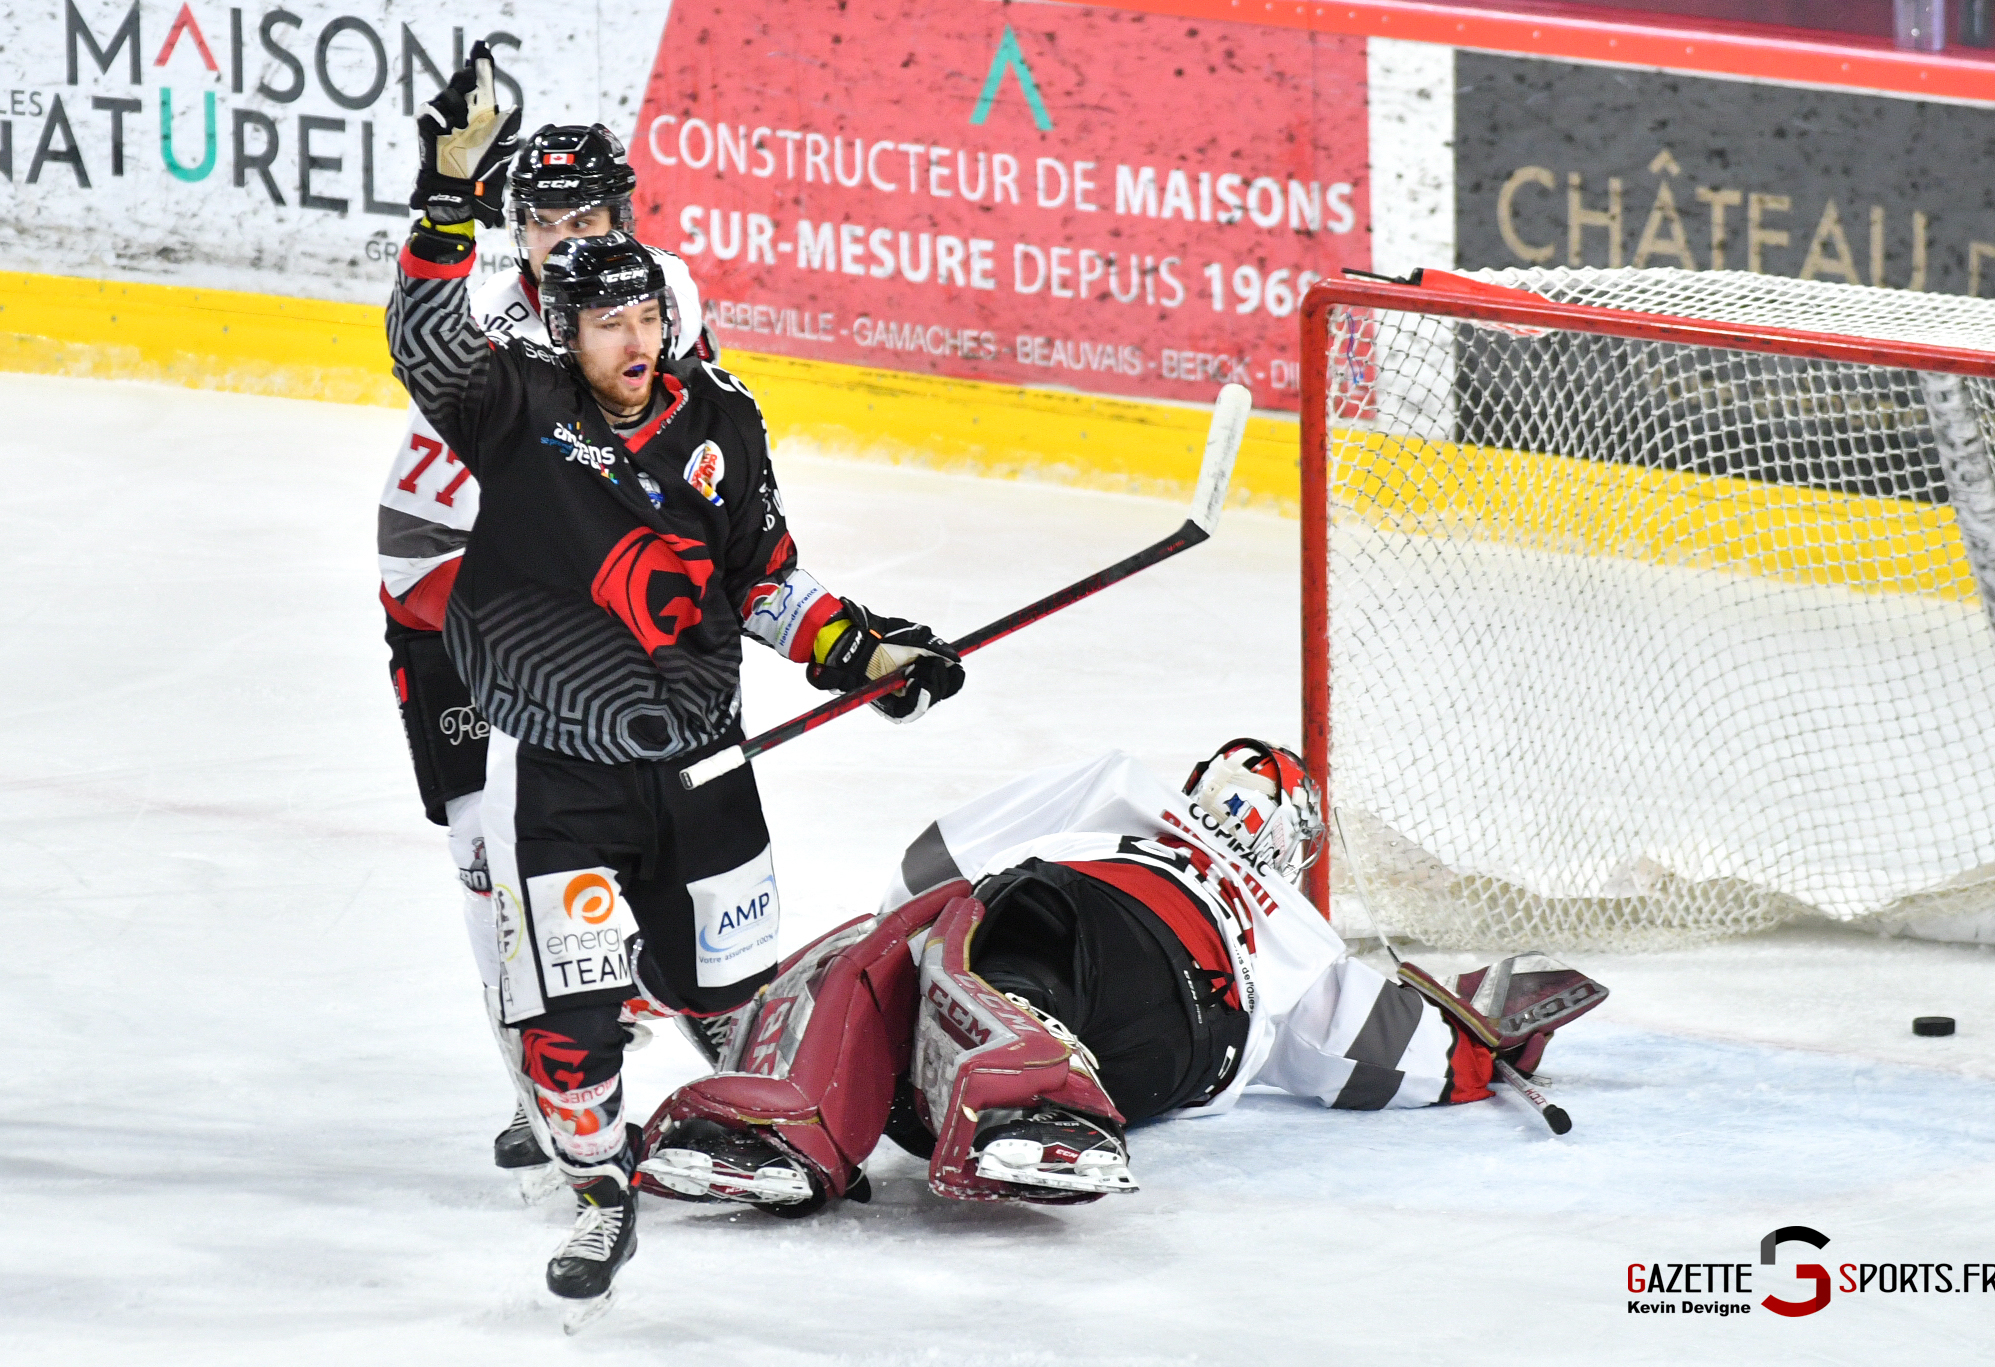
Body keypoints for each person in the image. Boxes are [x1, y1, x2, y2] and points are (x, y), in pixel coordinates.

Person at [385, 49, 966, 1308]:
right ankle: (586, 1168)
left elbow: (759, 571)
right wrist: (442, 190)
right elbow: (423, 338)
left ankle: (710, 1080)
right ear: (557, 323)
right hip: (532, 718)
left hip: (692, 738)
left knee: (728, 987)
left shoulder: (718, 417)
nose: (637, 338)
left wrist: (856, 645)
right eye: (608, 318)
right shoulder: (509, 391)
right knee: (545, 969)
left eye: (648, 315)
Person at [636, 740, 1604, 1212]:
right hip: (1178, 1042)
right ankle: (937, 1111)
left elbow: (927, 866)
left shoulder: (1123, 796)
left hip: (1061, 920)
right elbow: (1383, 1058)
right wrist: (1489, 1041)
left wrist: (907, 932)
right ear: (1292, 844)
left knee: (883, 947)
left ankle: (802, 1088)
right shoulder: (1295, 930)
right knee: (948, 960)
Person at [378, 119, 713, 1177]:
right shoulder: (490, 321)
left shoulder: (665, 295)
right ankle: (547, 1082)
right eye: (544, 221)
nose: (567, 239)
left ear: (626, 215)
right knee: (490, 861)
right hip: (445, 585)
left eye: (590, 217)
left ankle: (616, 992)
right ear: (509, 229)